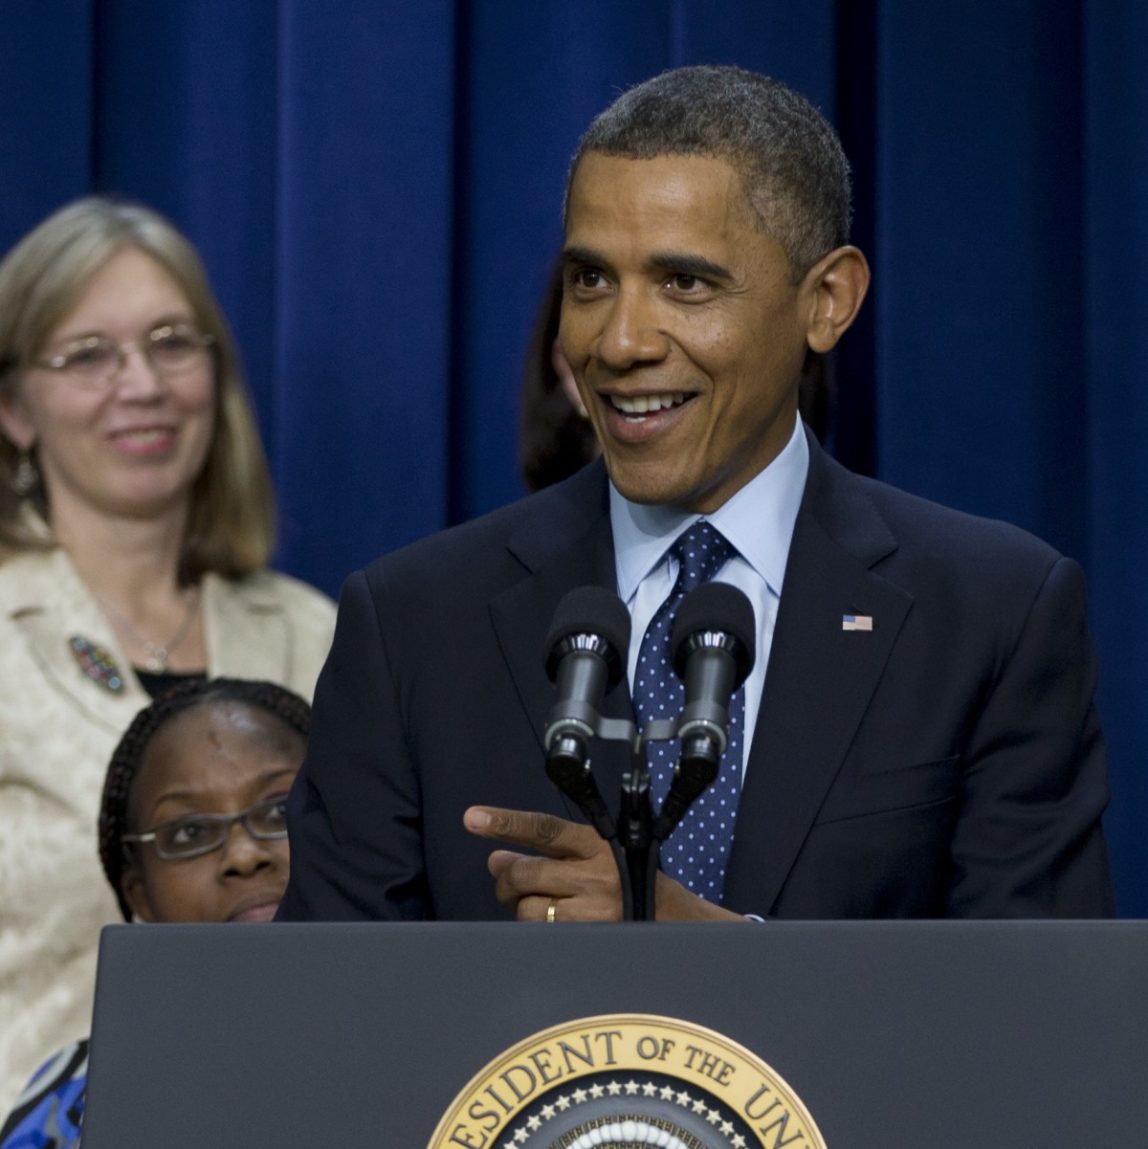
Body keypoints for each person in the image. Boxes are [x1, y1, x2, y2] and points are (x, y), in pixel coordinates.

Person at [278, 64, 1113, 927]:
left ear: (827, 301)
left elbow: (1036, 1024)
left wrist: (694, 944)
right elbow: (330, 1024)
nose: (620, 340)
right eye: (591, 281)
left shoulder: (991, 614)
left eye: (685, 283)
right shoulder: (412, 622)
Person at [0, 197, 336, 1108]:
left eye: (171, 343)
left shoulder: (320, 634)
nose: (141, 383)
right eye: (88, 355)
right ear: (14, 408)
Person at [0, 677, 312, 1149]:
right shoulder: (71, 1105)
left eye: (280, 809)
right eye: (188, 833)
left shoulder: (434, 1038)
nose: (244, 855)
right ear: (139, 893)